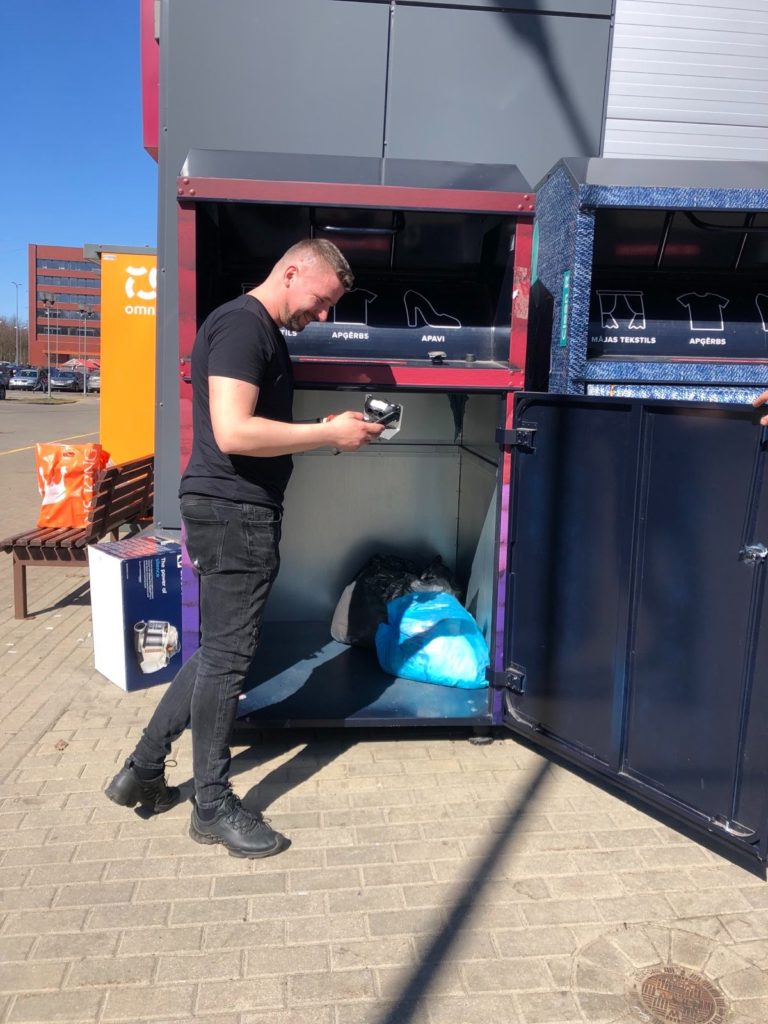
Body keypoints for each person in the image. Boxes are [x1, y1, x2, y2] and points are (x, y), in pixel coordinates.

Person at [105, 239, 383, 858]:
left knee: (216, 654)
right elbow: (234, 431)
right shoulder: (241, 325)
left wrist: (327, 431)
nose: (322, 316)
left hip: (233, 512)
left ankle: (143, 770)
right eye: (319, 300)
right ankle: (211, 805)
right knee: (229, 660)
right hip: (234, 513)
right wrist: (327, 433)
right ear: (289, 272)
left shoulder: (256, 329)